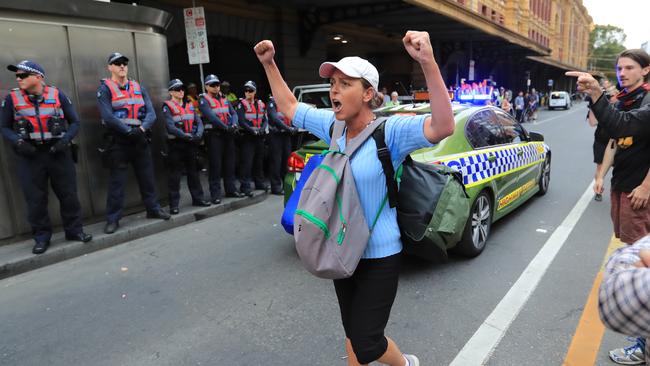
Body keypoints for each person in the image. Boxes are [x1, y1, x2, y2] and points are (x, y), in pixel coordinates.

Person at [254, 30, 455, 366]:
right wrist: (269, 64)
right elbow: (289, 107)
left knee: (366, 340)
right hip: (342, 250)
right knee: (353, 332)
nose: (335, 90)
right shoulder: (334, 128)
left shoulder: (391, 132)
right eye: (333, 83)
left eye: (345, 83)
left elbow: (443, 126)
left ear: (368, 93)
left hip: (381, 254)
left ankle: (405, 363)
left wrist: (427, 61)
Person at [567, 48, 650, 365]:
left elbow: (622, 126)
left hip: (640, 192)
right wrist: (600, 175)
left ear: (646, 70)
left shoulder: (646, 101)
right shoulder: (628, 98)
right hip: (623, 186)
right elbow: (615, 139)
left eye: (629, 68)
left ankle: (642, 343)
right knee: (632, 249)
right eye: (619, 68)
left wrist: (645, 186)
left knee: (643, 266)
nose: (622, 73)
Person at [0, 60, 92, 254]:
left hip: (58, 152)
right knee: (35, 199)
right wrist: (19, 142)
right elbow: (4, 127)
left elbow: (74, 122)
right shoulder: (12, 99)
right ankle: (41, 238)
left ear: (38, 77)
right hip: (30, 155)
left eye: (23, 75)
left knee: (68, 195)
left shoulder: (58, 95)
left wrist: (65, 140)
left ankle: (74, 231)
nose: (18, 79)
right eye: (17, 76)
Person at [96, 52, 170, 234]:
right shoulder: (105, 88)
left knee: (147, 177)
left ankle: (153, 209)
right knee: (117, 183)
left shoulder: (138, 87)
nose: (122, 66)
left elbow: (151, 113)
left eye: (124, 63)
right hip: (119, 141)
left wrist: (141, 130)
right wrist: (128, 131)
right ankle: (113, 219)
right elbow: (107, 116)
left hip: (140, 138)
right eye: (117, 63)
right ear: (110, 67)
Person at [162, 79, 210, 214]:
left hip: (190, 143)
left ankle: (198, 199)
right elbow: (170, 127)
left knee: (193, 173)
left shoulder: (189, 105)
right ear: (171, 92)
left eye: (182, 88)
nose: (181, 91)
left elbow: (198, 122)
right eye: (177, 89)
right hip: (176, 144)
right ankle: (174, 205)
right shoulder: (167, 106)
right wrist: (185, 136)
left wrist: (198, 134)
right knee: (175, 176)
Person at [199, 74, 243, 202]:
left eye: (217, 84)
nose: (216, 87)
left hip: (227, 134)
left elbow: (233, 112)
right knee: (215, 165)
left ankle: (231, 190)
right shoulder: (203, 99)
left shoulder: (224, 98)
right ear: (206, 86)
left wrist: (234, 124)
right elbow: (211, 116)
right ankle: (215, 194)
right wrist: (225, 127)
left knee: (230, 163)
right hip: (214, 135)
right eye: (212, 85)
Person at [236, 80, 269, 196]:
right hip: (247, 137)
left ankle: (259, 183)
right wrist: (252, 130)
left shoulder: (260, 104)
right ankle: (245, 187)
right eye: (246, 90)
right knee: (247, 163)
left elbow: (265, 119)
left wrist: (261, 129)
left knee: (258, 161)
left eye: (250, 90)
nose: (248, 93)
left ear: (255, 92)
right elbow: (241, 121)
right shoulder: (241, 104)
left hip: (259, 136)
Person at [267, 95, 296, 195]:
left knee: (286, 161)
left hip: (286, 136)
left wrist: (294, 126)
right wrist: (288, 128)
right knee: (276, 162)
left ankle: (286, 186)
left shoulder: (286, 103)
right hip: (276, 136)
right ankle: (276, 187)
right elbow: (275, 118)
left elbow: (292, 116)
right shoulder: (272, 103)